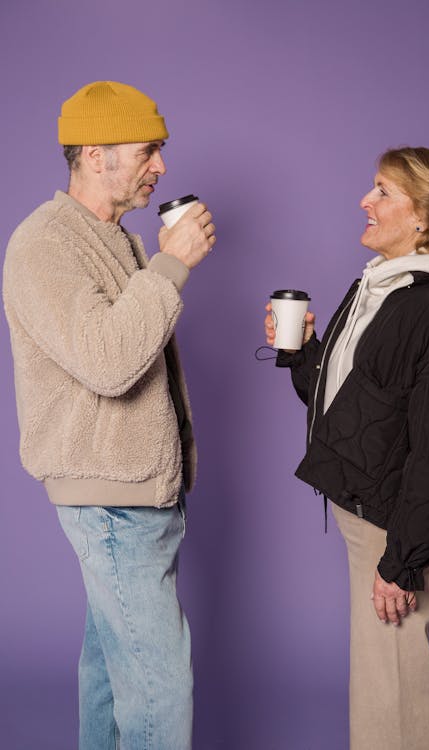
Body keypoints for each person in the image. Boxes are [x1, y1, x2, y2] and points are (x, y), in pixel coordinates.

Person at [3, 81, 216, 750]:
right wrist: (172, 264)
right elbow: (108, 361)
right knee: (157, 687)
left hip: (137, 493)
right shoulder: (43, 244)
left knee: (109, 676)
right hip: (113, 502)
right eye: (149, 151)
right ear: (96, 155)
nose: (161, 167)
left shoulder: (113, 239)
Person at [264, 147, 429, 750]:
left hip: (395, 526)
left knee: (396, 679)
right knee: (380, 677)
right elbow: (359, 409)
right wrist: (301, 352)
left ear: (423, 215)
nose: (365, 202)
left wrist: (402, 561)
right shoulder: (384, 290)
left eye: (383, 192)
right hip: (370, 514)